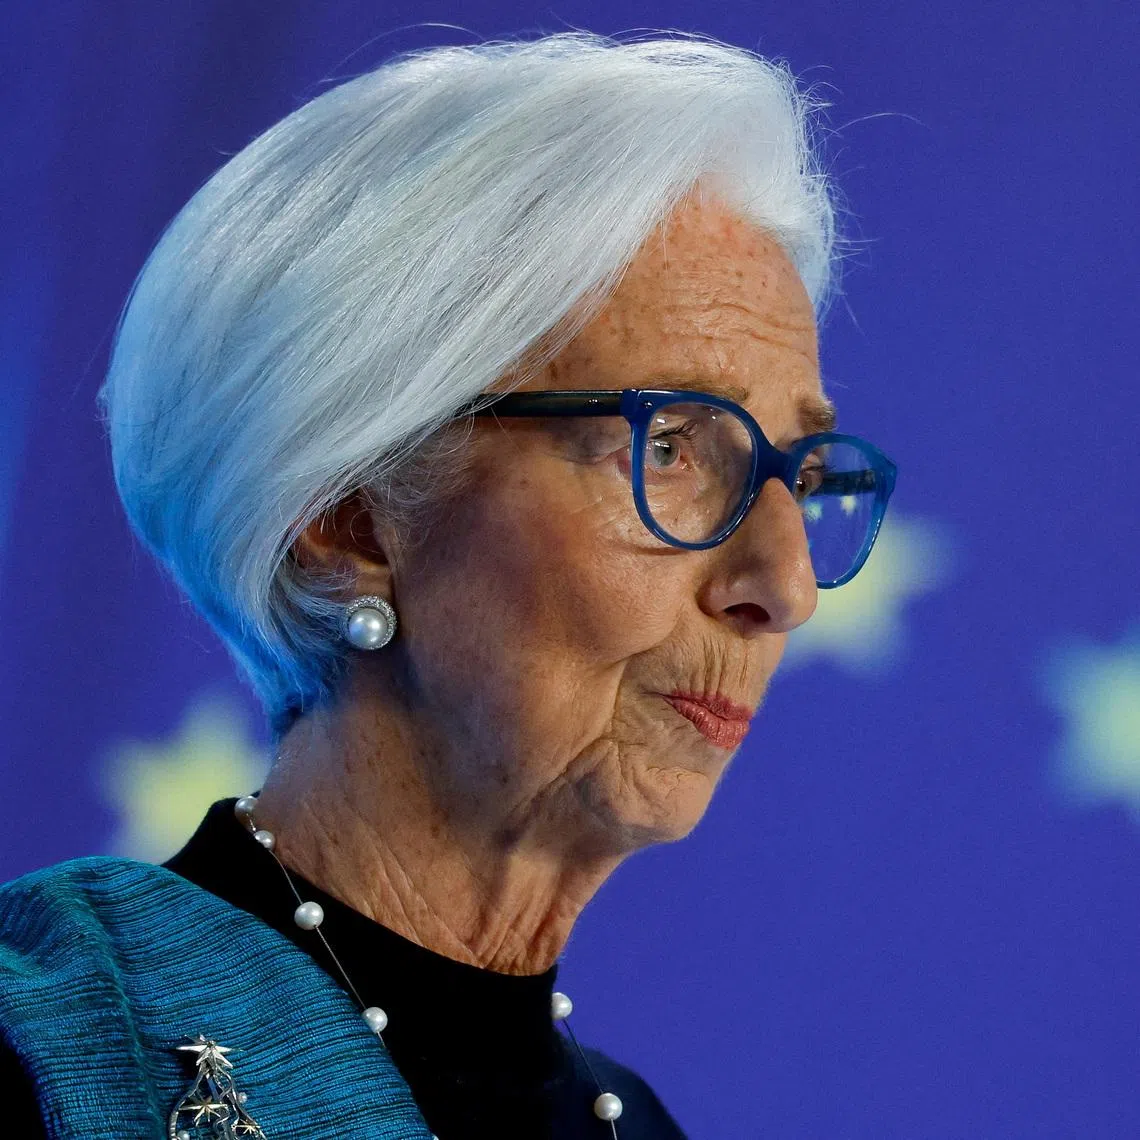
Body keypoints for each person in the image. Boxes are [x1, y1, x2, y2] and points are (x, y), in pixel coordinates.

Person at [0, 31, 896, 1140]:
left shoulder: (636, 1126)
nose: (787, 585)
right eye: (670, 446)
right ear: (349, 518)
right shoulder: (54, 1039)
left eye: (799, 476)